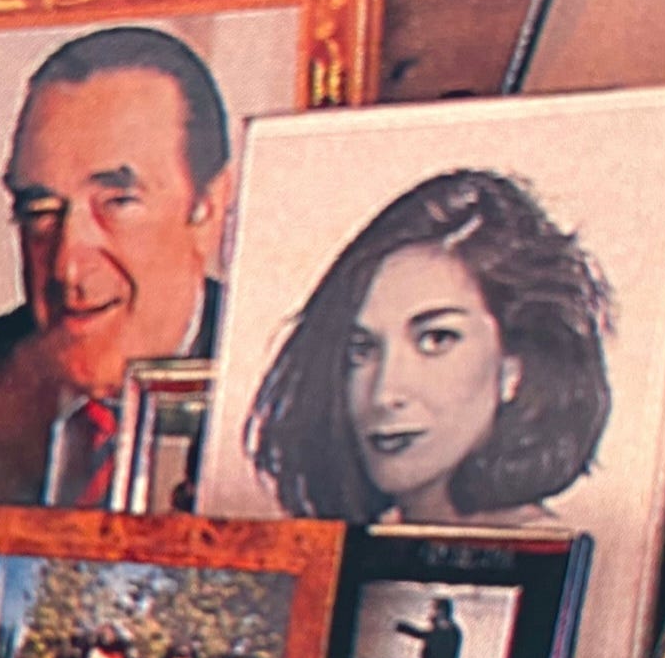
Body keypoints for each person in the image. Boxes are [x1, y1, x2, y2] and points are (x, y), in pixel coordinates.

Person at [0, 26, 232, 505]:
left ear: (207, 208)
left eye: (117, 202)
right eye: (40, 210)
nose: (67, 267)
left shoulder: (287, 387)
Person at [246, 169, 612, 525]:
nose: (385, 394)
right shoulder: (355, 548)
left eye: (436, 340)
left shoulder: (551, 556)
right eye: (361, 350)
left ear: (516, 367)